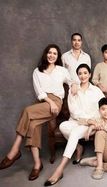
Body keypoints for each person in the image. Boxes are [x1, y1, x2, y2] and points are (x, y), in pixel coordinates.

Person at [0, 44, 75, 180]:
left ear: (58, 56)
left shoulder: (62, 70)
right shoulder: (37, 71)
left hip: (55, 103)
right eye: (49, 53)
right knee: (33, 126)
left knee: (27, 111)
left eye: (55, 53)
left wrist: (73, 86)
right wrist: (48, 101)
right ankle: (37, 164)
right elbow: (39, 92)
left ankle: (14, 150)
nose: (52, 55)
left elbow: (71, 82)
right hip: (42, 103)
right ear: (45, 54)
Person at [44, 64, 104, 186]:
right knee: (62, 126)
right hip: (77, 121)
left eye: (85, 73)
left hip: (91, 125)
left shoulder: (96, 91)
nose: (83, 76)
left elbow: (103, 107)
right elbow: (74, 112)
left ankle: (59, 169)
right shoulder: (73, 91)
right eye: (80, 73)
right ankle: (78, 147)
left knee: (75, 133)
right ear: (77, 76)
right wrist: (87, 120)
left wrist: (93, 122)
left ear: (90, 74)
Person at [79, 97, 107, 180]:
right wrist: (92, 124)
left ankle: (95, 162)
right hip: (104, 150)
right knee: (100, 132)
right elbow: (80, 120)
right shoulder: (98, 120)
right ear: (99, 111)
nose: (106, 111)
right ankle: (99, 167)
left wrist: (93, 126)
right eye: (103, 109)